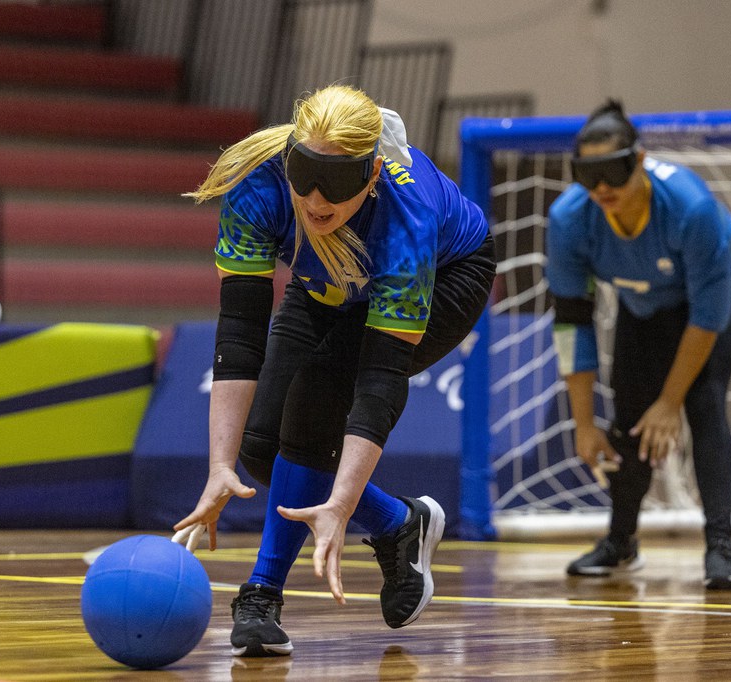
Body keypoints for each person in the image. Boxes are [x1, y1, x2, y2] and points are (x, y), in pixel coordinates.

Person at [172, 84, 496, 656]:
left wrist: (343, 505)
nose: (317, 199)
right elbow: (241, 332)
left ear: (371, 174)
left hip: (449, 275)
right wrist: (219, 465)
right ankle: (398, 524)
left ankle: (262, 594)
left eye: (338, 183)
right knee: (257, 445)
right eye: (306, 175)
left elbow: (379, 381)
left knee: (318, 400)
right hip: (326, 275)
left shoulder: (407, 213)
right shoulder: (258, 184)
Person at [546, 99, 731, 590]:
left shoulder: (691, 208)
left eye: (614, 172)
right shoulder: (569, 220)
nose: (601, 188)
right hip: (643, 302)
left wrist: (670, 402)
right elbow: (570, 321)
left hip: (716, 292)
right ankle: (621, 542)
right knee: (628, 418)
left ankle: (720, 548)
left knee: (704, 402)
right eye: (587, 174)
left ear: (639, 161)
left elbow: (708, 318)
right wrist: (582, 425)